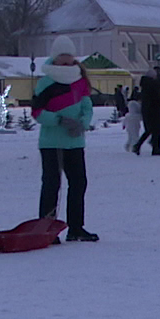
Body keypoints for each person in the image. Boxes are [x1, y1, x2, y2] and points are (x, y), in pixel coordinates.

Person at [33, 35, 97, 241]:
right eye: (62, 55)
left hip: (75, 142)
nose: (66, 60)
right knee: (52, 184)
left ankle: (76, 227)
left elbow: (87, 107)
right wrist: (58, 120)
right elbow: (37, 112)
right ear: (55, 56)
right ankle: (46, 228)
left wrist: (82, 124)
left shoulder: (79, 81)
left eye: (69, 55)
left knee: (79, 183)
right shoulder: (45, 82)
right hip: (52, 144)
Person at [135, 65, 160, 155]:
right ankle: (154, 148)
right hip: (154, 110)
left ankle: (140, 146)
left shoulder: (145, 84)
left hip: (147, 109)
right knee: (158, 128)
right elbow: (157, 97)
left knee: (151, 129)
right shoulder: (152, 84)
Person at [121, 81, 144, 152]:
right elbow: (141, 117)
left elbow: (124, 120)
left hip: (129, 127)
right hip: (135, 126)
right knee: (135, 136)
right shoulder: (137, 115)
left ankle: (128, 146)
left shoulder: (128, 115)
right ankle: (134, 147)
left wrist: (124, 125)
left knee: (130, 136)